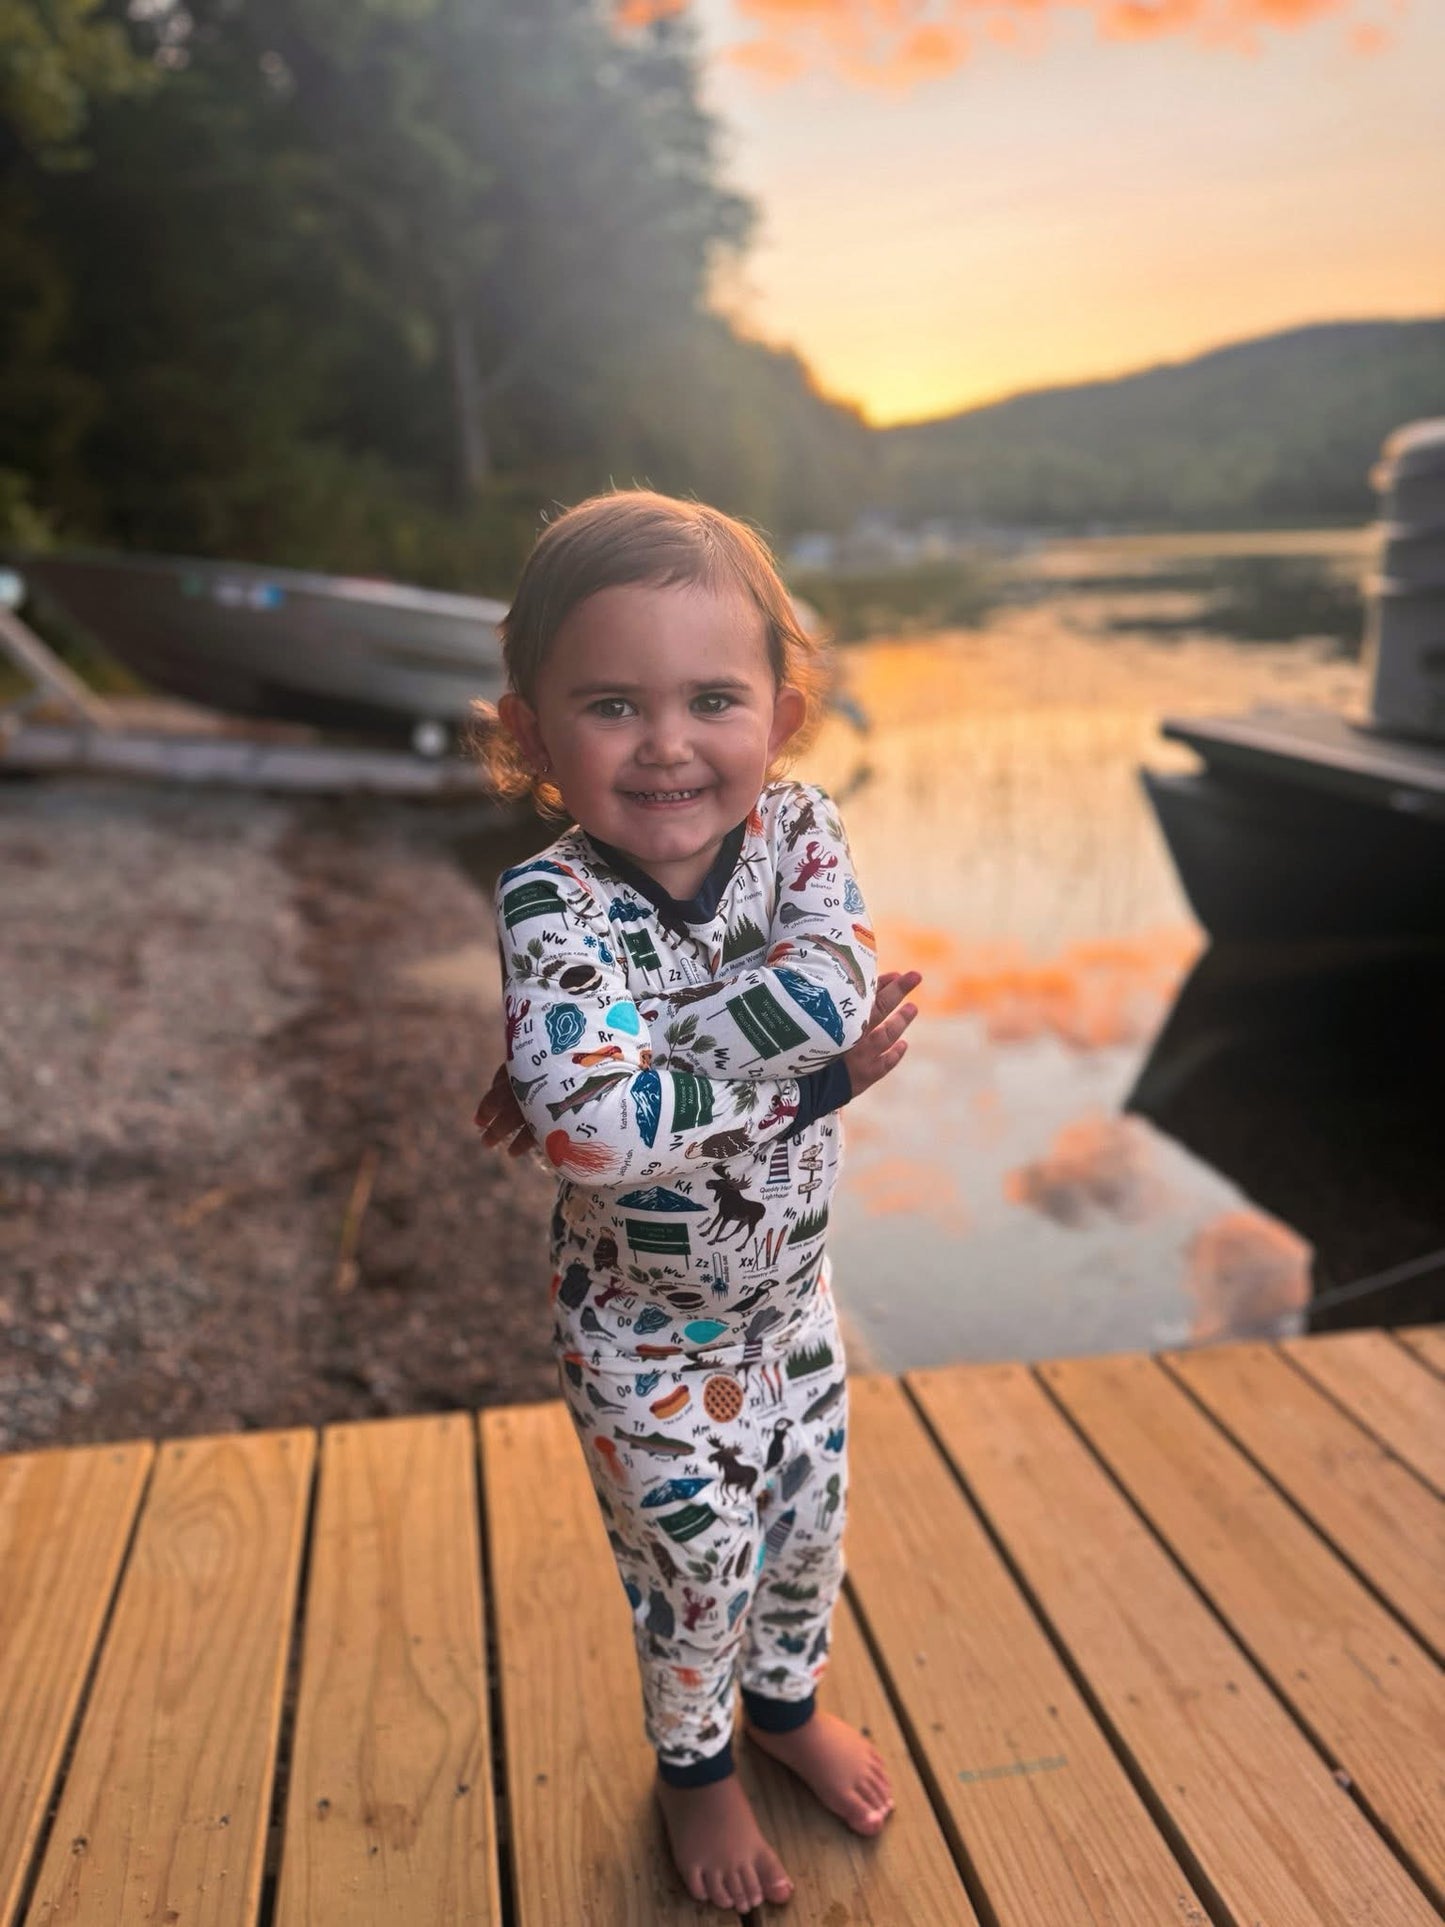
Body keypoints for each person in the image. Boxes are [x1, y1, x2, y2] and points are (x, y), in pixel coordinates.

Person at [471, 490, 921, 1915]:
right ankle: (696, 1767)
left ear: (780, 716)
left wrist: (620, 1056)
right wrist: (806, 1089)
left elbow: (831, 988)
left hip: (793, 1308)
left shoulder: (800, 831)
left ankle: (782, 1709)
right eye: (612, 705)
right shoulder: (551, 903)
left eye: (711, 700)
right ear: (533, 733)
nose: (667, 743)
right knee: (697, 1565)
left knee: (804, 1534)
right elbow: (594, 1140)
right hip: (640, 1333)